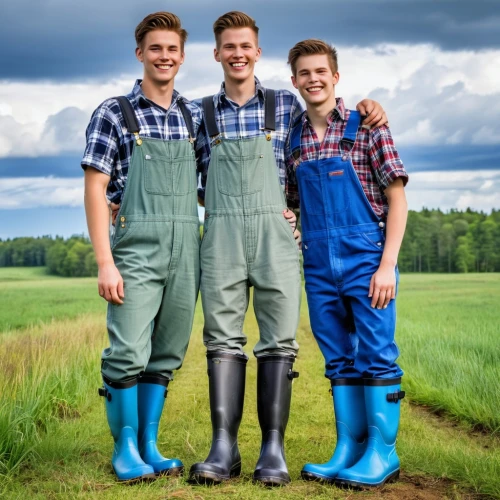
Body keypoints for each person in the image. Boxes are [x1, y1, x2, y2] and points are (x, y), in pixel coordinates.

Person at [188, 12, 388, 487]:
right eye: (228, 47)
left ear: (258, 52)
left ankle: (271, 448)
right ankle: (224, 447)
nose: (238, 53)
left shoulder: (286, 105)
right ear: (217, 54)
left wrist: (368, 105)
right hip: (221, 237)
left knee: (279, 340)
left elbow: (326, 120)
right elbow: (194, 182)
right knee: (222, 337)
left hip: (276, 240)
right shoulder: (199, 113)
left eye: (246, 46)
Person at [81, 12, 202, 483]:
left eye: (172, 49)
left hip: (185, 248)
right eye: (155, 48)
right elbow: (96, 188)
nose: (164, 57)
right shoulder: (115, 112)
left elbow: (212, 185)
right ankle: (126, 447)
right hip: (134, 248)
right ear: (140, 54)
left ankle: (150, 443)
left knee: (167, 351)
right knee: (128, 350)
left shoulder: (194, 115)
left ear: (182, 56)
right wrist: (105, 262)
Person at [285, 39, 408, 488]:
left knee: (376, 354)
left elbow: (397, 198)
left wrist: (386, 265)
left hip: (366, 258)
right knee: (338, 357)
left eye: (321, 71)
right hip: (318, 264)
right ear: (294, 80)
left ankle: (383, 452)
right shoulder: (293, 138)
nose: (312, 79)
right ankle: (349, 449)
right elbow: (292, 204)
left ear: (335, 76)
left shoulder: (367, 125)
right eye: (304, 73)